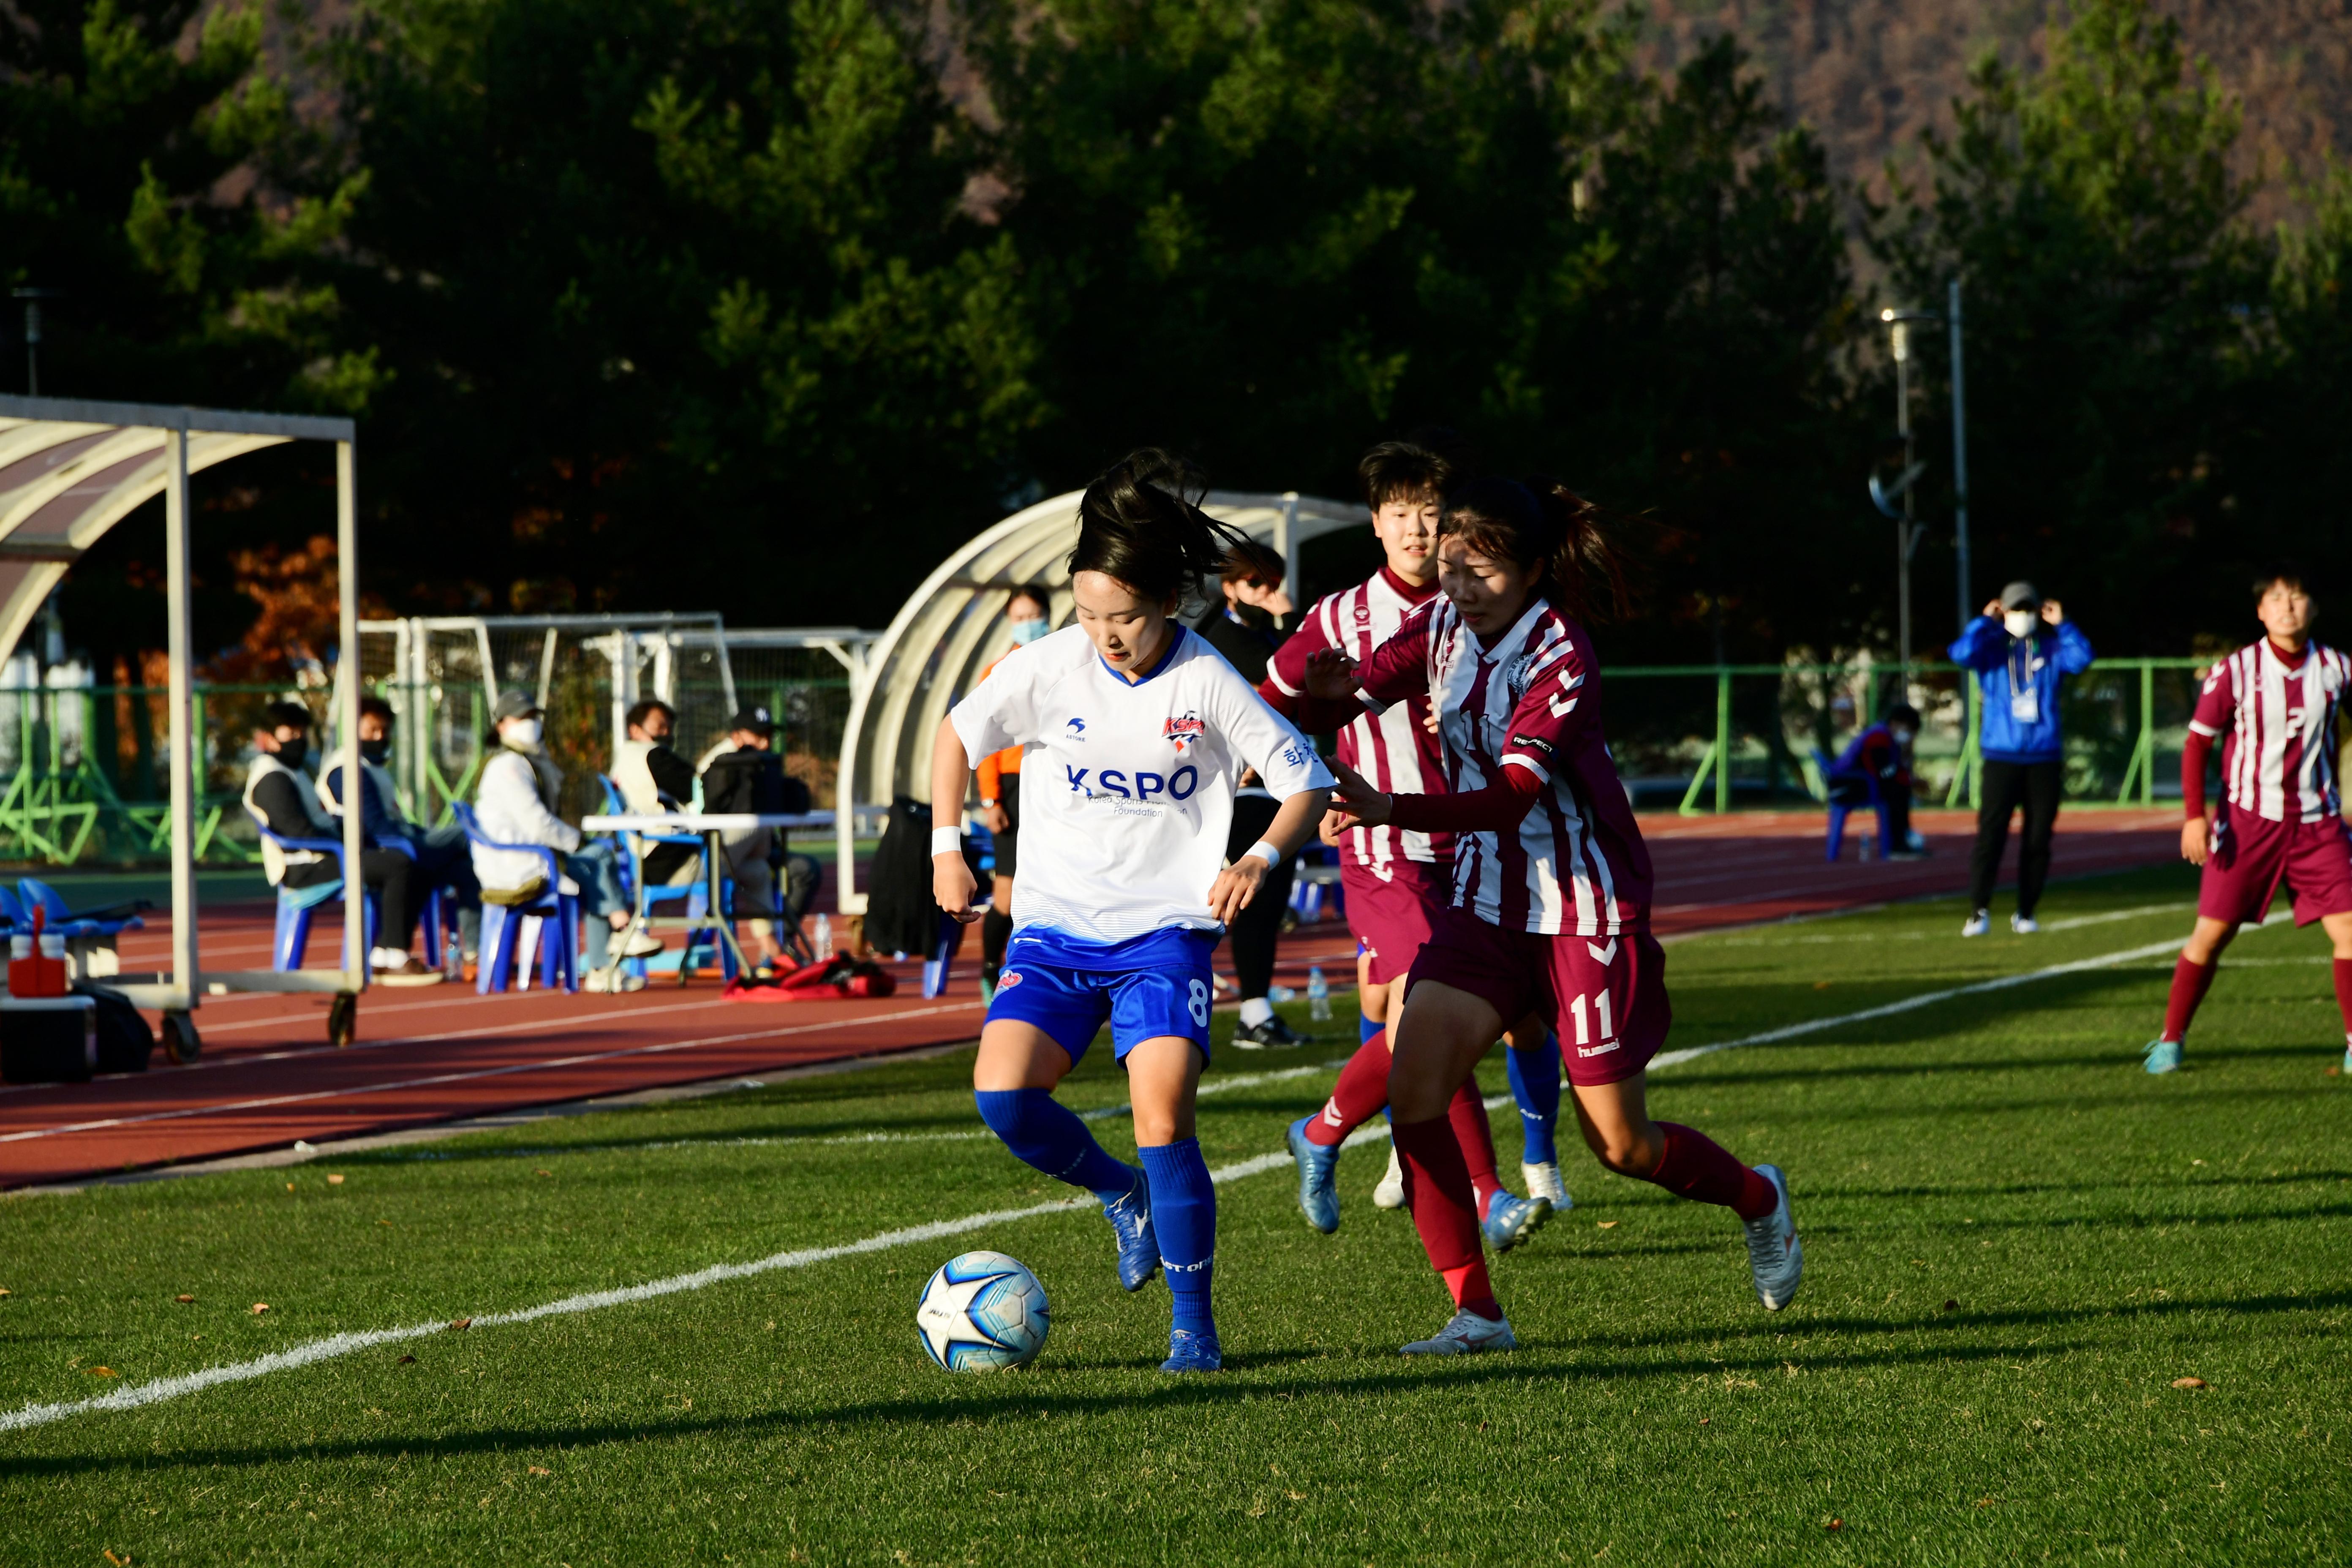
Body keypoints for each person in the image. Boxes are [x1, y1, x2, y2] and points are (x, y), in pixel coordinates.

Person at [1308, 476, 1801, 1356]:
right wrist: (1329, 689)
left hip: (1580, 910)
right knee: (1416, 1093)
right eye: (1451, 565)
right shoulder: (1443, 621)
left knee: (1621, 1145)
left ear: (1534, 570)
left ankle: (1758, 1198)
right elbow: (1360, 688)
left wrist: (1390, 808)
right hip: (1482, 904)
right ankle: (1477, 1313)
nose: (1458, 584)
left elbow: (1509, 799)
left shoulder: (1561, 657)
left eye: (1481, 571)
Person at [930, 449, 1333, 1374]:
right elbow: (956, 734)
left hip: (1164, 936)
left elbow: (1304, 778)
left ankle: (1193, 1326)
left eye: (1126, 616)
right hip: (1055, 926)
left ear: (1169, 602)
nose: (1106, 634)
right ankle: (1123, 1196)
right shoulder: (1050, 665)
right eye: (1089, 613)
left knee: (1163, 1118)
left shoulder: (1206, 680)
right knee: (1004, 1097)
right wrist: (947, 848)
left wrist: (1260, 853)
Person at [1265, 438, 1567, 1239]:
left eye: (1430, 513)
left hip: (1477, 843)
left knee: (1525, 1019)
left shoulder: (1484, 612)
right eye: (1399, 513)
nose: (1416, 529)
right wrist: (1307, 770)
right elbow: (1267, 706)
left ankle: (1328, 1129)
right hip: (1382, 844)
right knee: (1424, 1008)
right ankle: (1490, 1193)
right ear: (1374, 523)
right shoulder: (1338, 617)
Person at [2144, 567, 2352, 1075]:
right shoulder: (2236, 670)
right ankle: (2171, 1039)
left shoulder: (2338, 669)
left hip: (2319, 824)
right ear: (2261, 611)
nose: (2287, 606)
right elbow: (2197, 744)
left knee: (2350, 928)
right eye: (2276, 598)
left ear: (2313, 607)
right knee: (2211, 935)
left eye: (2297, 596)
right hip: (2247, 824)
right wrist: (2195, 818)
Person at [1187, 541, 1306, 1048]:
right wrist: (1290, 621)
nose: (1271, 594)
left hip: (1275, 786)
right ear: (1232, 588)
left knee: (1266, 899)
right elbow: (1290, 673)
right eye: (1258, 584)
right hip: (1238, 792)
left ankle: (1255, 1011)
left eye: (1275, 583)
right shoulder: (1225, 639)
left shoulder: (1256, 630)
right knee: (1243, 899)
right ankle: (1242, 1010)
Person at [471, 691, 661, 991]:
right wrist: (579, 842)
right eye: (522, 718)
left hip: (533, 856)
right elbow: (538, 824)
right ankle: (622, 931)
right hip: (518, 863)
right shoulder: (508, 766)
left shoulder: (527, 761)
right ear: (502, 726)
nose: (530, 724)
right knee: (597, 859)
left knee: (596, 867)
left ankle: (606, 959)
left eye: (534, 717)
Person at [240, 700, 441, 984]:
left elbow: (318, 823)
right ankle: (393, 955)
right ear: (270, 738)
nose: (298, 739)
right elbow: (298, 833)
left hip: (326, 857)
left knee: (416, 866)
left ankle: (385, 953)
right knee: (397, 865)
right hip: (303, 868)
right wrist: (346, 843)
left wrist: (350, 835)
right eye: (290, 732)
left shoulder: (293, 770)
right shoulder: (272, 777)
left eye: (302, 732)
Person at [1949, 581, 2094, 935]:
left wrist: (2064, 624)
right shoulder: (1991, 649)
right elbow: (1961, 654)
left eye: (2028, 610)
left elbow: (2082, 658)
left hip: (2043, 755)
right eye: (2016, 610)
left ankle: (2026, 911)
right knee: (1991, 835)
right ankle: (1978, 910)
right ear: (2004, 611)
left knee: (2038, 837)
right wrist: (1983, 623)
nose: (2022, 617)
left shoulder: (2053, 648)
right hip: (2002, 755)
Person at [320, 696, 483, 965]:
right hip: (379, 849)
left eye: (385, 731)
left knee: (466, 869)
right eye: (372, 730)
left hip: (402, 841)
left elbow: (393, 819)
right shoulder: (346, 769)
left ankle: (475, 954)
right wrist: (415, 843)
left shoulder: (373, 767)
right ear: (352, 728)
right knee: (467, 833)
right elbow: (375, 825)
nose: (380, 737)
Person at [976, 586, 1055, 998]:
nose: (1028, 624)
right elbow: (982, 740)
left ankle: (1045, 972)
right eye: (1019, 617)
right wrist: (991, 799)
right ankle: (992, 968)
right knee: (1006, 890)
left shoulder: (1068, 661)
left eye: (1034, 615)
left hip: (1058, 781)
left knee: (1057, 883)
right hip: (1012, 785)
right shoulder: (997, 671)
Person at [700, 706, 814, 976]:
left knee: (788, 870)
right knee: (788, 862)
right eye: (758, 735)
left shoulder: (763, 762)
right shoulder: (720, 763)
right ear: (737, 736)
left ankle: (777, 946)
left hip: (754, 855)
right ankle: (778, 947)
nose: (765, 742)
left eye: (768, 735)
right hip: (715, 852)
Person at [610, 697, 702, 890]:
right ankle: (704, 920)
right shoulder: (653, 756)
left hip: (643, 854)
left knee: (757, 872)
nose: (667, 733)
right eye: (660, 727)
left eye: (669, 728)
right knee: (749, 834)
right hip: (667, 856)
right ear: (635, 730)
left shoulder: (623, 758)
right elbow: (697, 788)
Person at [1825, 702, 1926, 858]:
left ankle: (1901, 840)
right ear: (1895, 723)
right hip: (1846, 785)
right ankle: (1897, 844)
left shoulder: (1889, 739)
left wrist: (1907, 760)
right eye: (1909, 730)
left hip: (1860, 782)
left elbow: (1890, 770)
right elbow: (1882, 771)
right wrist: (1907, 779)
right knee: (1896, 792)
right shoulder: (1878, 738)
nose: (1910, 736)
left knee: (1900, 789)